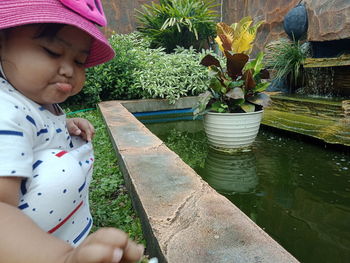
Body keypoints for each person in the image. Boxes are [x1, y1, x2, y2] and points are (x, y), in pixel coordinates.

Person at [0, 0, 145, 262]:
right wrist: (64, 258)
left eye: (79, 61)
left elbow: (31, 128)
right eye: (52, 51)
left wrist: (63, 125)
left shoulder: (32, 102)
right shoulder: (4, 113)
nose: (68, 70)